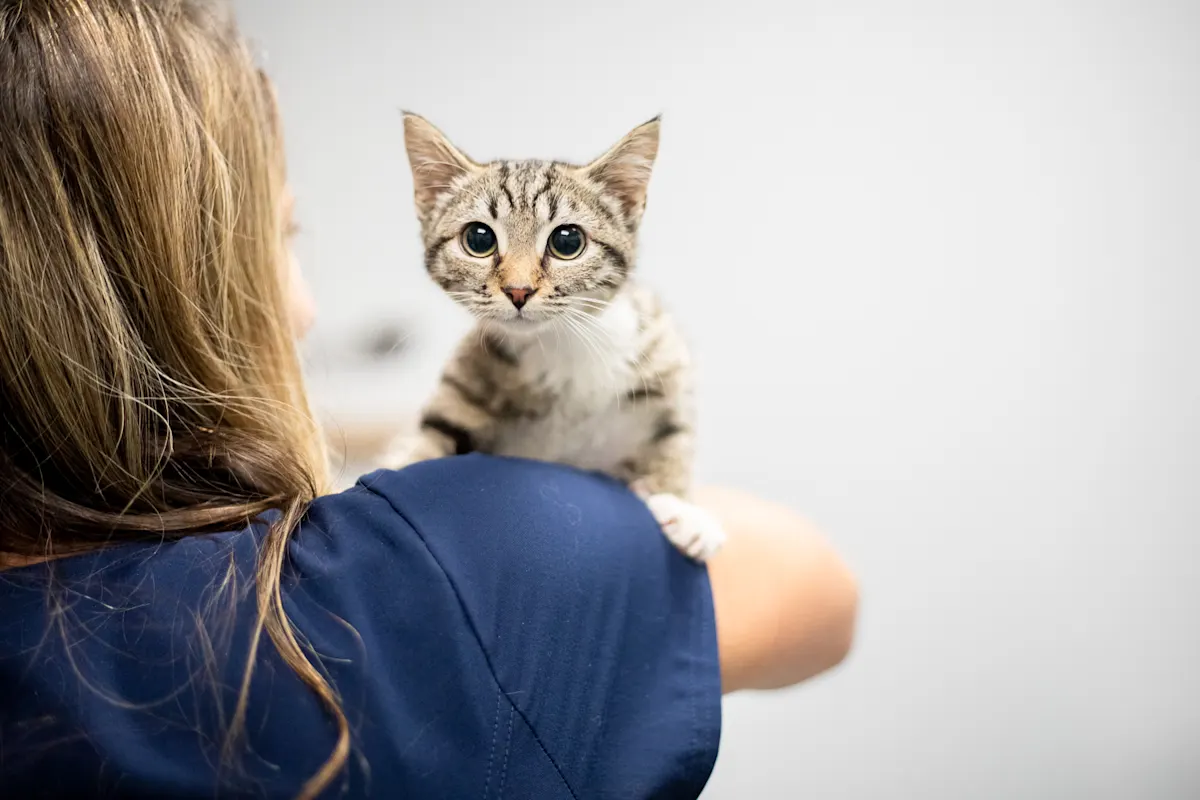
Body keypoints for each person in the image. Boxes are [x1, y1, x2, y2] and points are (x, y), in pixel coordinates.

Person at [0, 2, 858, 798]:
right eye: (283, 234)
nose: (306, 310)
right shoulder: (425, 569)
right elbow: (818, 589)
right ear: (182, 287)